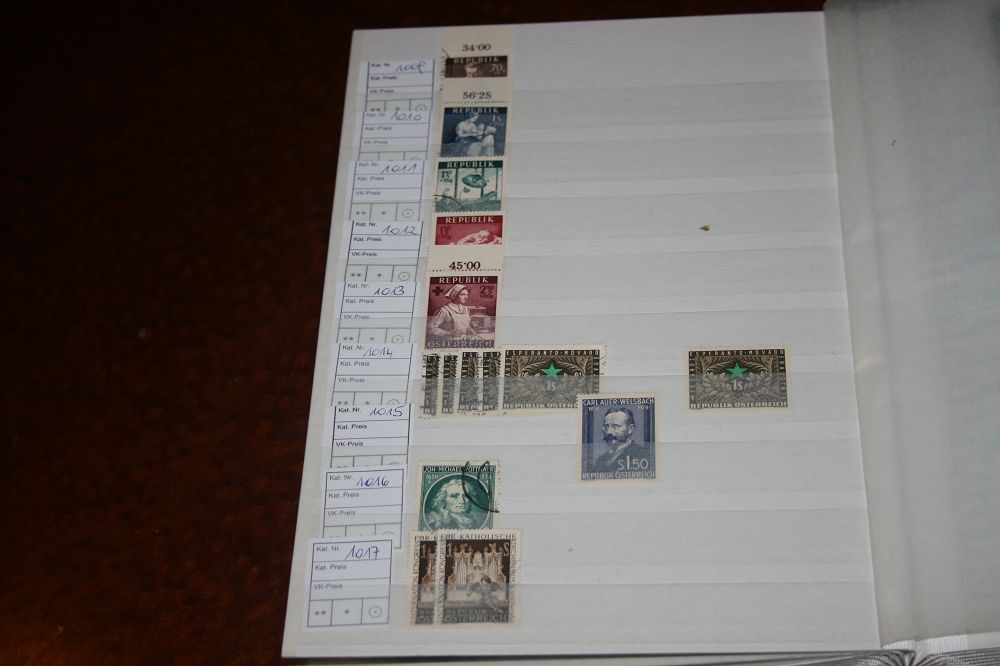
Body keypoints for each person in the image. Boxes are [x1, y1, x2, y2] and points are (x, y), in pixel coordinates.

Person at [591, 406, 646, 472]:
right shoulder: (600, 460)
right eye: (606, 427)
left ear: (630, 429)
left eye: (615, 427)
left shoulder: (642, 455)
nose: (609, 432)